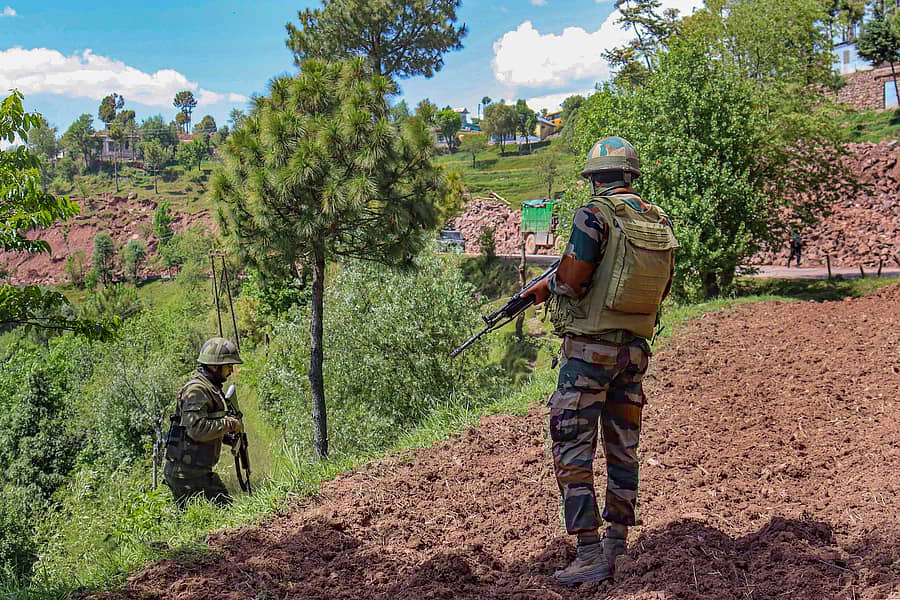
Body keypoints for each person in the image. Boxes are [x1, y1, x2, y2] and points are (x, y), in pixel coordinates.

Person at [525, 136, 678, 585]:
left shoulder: (594, 215)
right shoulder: (658, 221)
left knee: (572, 446)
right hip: (633, 352)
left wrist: (545, 287)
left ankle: (589, 553)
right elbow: (662, 289)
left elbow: (572, 283)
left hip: (589, 355)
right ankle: (617, 544)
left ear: (594, 179)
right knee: (622, 446)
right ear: (631, 176)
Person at [163, 336, 243, 507]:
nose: (231, 371)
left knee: (209, 518)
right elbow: (197, 430)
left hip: (193, 472)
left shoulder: (209, 388)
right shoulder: (197, 390)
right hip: (187, 475)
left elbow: (202, 427)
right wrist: (229, 424)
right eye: (228, 366)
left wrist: (226, 437)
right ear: (215, 366)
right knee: (224, 514)